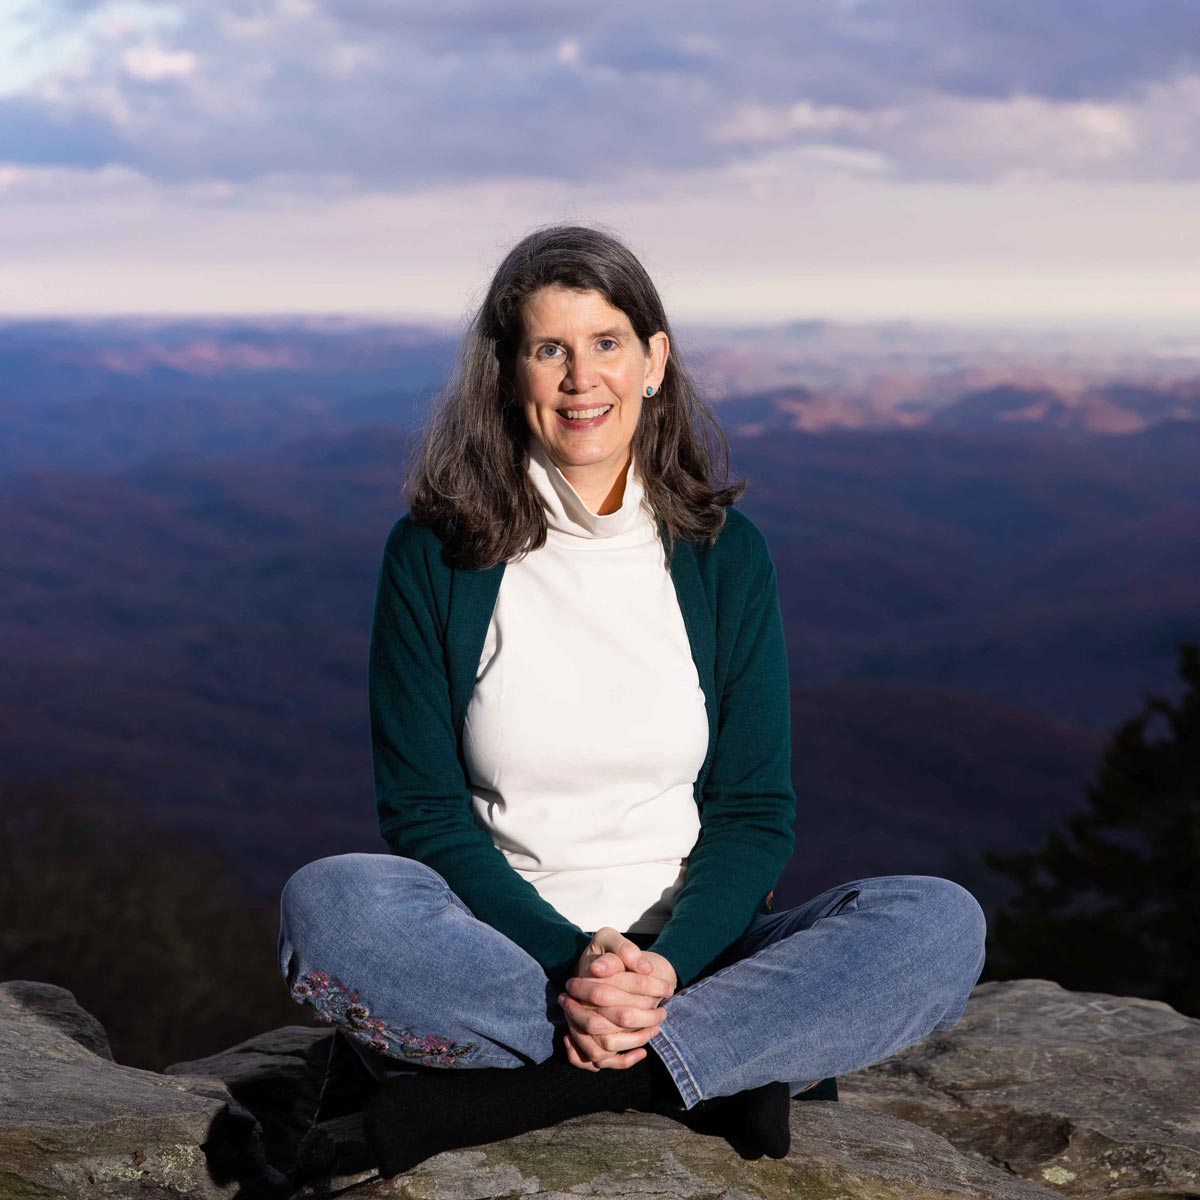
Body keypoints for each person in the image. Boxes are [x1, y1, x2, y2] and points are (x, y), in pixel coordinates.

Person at [277, 224, 987, 1180]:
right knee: (329, 903)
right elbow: (425, 815)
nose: (582, 378)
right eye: (549, 349)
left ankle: (549, 1085)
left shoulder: (725, 557)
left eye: (606, 343)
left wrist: (663, 970)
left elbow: (751, 813)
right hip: (506, 961)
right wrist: (574, 966)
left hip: (705, 959)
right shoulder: (434, 556)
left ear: (654, 362)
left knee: (938, 922)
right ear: (506, 373)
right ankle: (716, 1068)